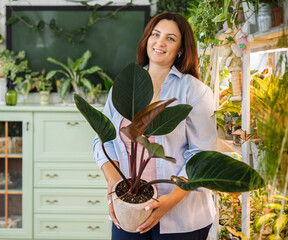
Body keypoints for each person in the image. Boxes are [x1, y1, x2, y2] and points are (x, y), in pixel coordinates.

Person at [93, 12, 217, 240]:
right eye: (155, 34)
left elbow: (202, 155)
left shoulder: (195, 92)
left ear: (180, 49)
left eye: (170, 38)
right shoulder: (124, 88)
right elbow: (103, 141)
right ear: (146, 39)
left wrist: (170, 201)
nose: (160, 42)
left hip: (182, 216)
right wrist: (113, 186)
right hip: (129, 208)